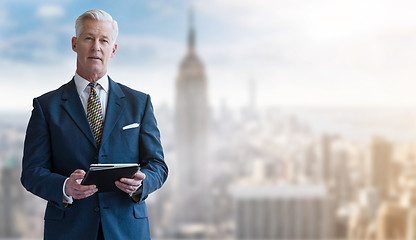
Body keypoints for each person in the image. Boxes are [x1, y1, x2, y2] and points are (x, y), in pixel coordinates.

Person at [20, 9, 168, 240]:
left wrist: (142, 183)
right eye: (89, 38)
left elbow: (158, 165)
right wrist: (65, 187)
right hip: (69, 230)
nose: (96, 47)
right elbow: (31, 173)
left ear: (113, 49)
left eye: (104, 40)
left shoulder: (139, 103)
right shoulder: (46, 106)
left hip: (126, 230)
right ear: (75, 43)